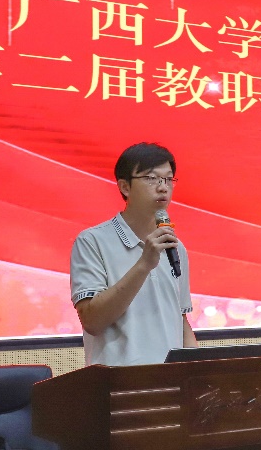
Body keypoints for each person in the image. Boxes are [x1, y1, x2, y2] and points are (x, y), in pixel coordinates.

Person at [69, 142, 197, 366]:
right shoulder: (92, 241)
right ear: (125, 187)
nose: (163, 187)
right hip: (117, 380)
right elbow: (92, 321)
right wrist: (144, 264)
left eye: (168, 179)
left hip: (169, 380)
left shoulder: (175, 247)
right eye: (151, 178)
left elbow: (181, 320)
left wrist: (201, 371)